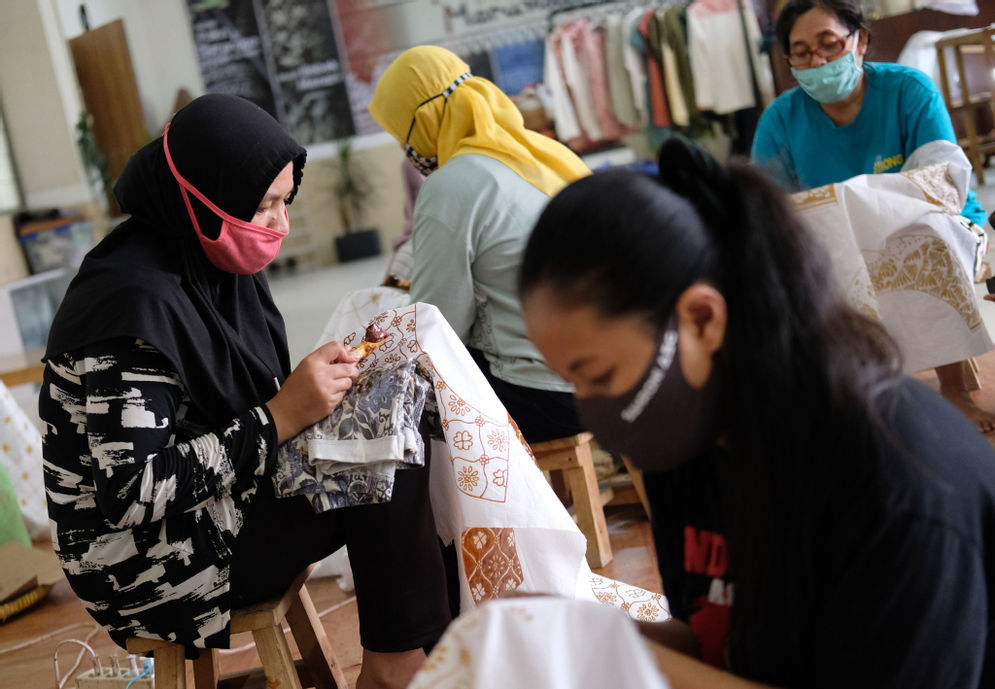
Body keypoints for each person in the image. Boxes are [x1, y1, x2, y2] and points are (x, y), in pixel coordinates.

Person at [519, 137, 995, 687]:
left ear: (701, 319)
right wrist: (577, 634)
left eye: (599, 376)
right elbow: (718, 642)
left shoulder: (899, 484)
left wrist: (630, 658)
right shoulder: (690, 446)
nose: (589, 409)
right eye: (571, 382)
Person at [40, 94, 450, 689]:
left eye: (286, 201)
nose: (280, 224)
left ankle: (413, 653)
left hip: (217, 504)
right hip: (145, 561)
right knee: (381, 455)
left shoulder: (206, 268)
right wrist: (280, 415)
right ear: (200, 200)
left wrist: (317, 390)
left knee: (397, 401)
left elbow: (246, 404)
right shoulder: (129, 308)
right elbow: (130, 493)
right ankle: (397, 666)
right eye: (264, 207)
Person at [750, 0, 995, 431]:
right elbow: (769, 211)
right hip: (833, 240)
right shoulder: (781, 120)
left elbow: (940, 185)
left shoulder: (909, 91)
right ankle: (854, 402)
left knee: (923, 234)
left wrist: (861, 207)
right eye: (802, 52)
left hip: (928, 223)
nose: (817, 60)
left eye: (829, 44)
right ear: (788, 59)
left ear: (860, 40)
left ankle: (954, 390)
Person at [367, 45, 591, 444]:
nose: (407, 151)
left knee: (403, 410)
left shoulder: (450, 185)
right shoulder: (544, 152)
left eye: (403, 135)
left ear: (423, 123)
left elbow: (437, 326)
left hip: (550, 393)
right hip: (612, 369)